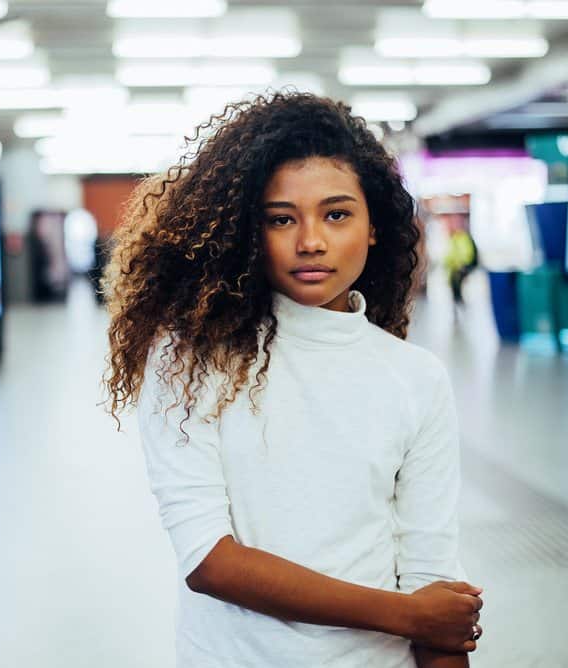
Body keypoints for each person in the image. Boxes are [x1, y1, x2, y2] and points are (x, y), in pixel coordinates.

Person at [102, 92, 483, 667]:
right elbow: (209, 560)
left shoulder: (415, 377)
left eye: (336, 214)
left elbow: (431, 574)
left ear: (374, 227)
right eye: (281, 218)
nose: (311, 240)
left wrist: (430, 622)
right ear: (246, 232)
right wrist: (406, 614)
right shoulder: (189, 361)